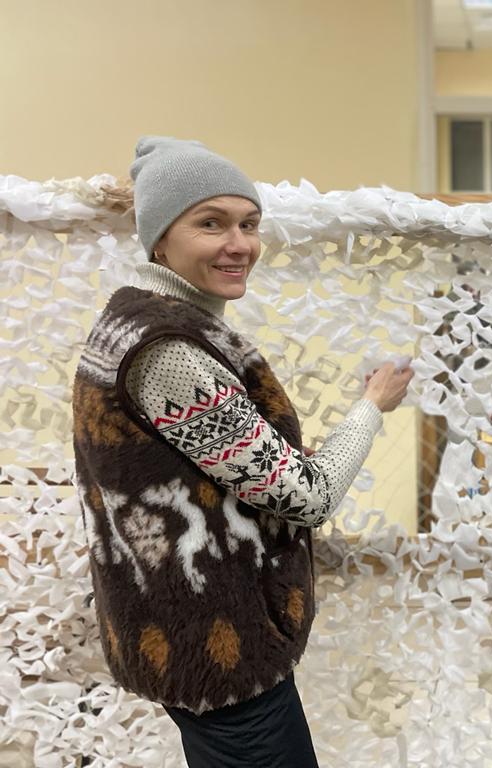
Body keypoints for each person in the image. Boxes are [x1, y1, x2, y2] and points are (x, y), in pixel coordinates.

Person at [71, 136, 413, 767]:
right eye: (211, 223)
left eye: (249, 224)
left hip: (187, 630)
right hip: (216, 646)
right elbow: (307, 496)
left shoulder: (143, 319)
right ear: (160, 240)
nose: (240, 244)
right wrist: (373, 406)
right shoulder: (168, 349)